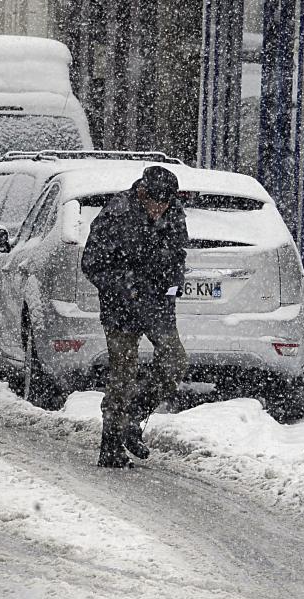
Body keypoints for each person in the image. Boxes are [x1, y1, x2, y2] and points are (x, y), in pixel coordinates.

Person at [80, 165, 190, 468]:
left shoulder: (173, 211)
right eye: (155, 202)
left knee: (174, 361)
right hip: (122, 306)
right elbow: (91, 262)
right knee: (123, 373)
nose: (160, 209)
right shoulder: (117, 213)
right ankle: (111, 444)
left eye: (166, 203)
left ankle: (134, 417)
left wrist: (172, 283)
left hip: (157, 303)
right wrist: (124, 285)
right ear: (142, 193)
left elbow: (177, 253)